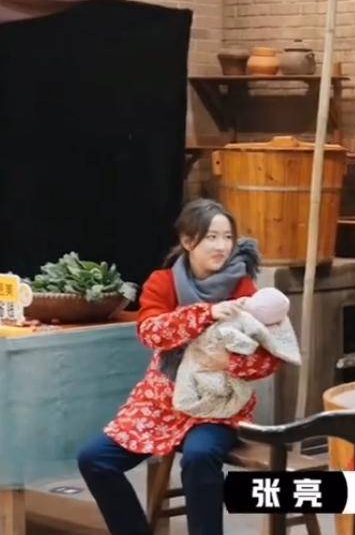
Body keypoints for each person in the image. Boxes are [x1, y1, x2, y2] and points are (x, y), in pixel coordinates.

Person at [77, 199, 282, 535]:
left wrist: (229, 361)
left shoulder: (244, 288)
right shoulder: (163, 282)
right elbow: (150, 332)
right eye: (211, 237)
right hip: (160, 402)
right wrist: (205, 313)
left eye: (227, 237)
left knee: (199, 457)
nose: (222, 246)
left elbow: (269, 358)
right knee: (94, 459)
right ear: (188, 241)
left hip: (218, 405)